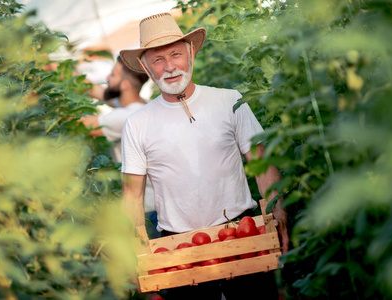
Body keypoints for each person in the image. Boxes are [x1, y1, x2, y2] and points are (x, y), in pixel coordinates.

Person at [120, 13, 289, 299]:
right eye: (158, 60)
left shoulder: (229, 100)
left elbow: (261, 164)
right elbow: (132, 195)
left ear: (191, 52)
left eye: (176, 54)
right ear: (146, 68)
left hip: (243, 233)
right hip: (178, 248)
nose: (170, 67)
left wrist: (280, 213)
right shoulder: (137, 124)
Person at [79, 56, 159, 239]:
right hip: (154, 206)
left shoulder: (126, 117)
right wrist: (57, 68)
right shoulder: (143, 105)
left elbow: (82, 124)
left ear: (125, 85)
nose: (107, 78)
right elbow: (99, 92)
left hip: (146, 212)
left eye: (113, 75)